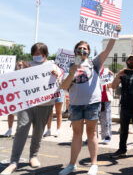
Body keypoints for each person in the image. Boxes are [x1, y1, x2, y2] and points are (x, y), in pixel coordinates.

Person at [58, 30, 120, 175]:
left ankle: (93, 164)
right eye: (79, 48)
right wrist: (72, 72)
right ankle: (72, 164)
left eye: (85, 48)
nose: (82, 50)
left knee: (91, 133)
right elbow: (64, 87)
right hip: (75, 105)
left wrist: (115, 33)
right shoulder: (69, 67)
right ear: (75, 51)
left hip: (92, 103)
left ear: (89, 51)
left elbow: (109, 48)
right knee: (77, 134)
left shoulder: (94, 63)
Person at [1, 43, 62, 175]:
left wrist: (57, 75)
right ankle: (14, 161)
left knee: (38, 131)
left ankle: (33, 156)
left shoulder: (53, 66)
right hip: (26, 104)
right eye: (34, 53)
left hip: (45, 105)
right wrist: (18, 68)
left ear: (45, 54)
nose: (37, 56)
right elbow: (15, 80)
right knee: (22, 128)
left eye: (39, 53)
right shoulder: (26, 65)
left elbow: (62, 84)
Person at [110, 55, 133, 159]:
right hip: (124, 106)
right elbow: (113, 86)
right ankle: (122, 150)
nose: (132, 61)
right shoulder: (123, 73)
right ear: (127, 61)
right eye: (130, 59)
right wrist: (118, 76)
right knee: (123, 130)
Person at [3, 61, 27, 138]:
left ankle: (19, 132)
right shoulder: (12, 75)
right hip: (13, 97)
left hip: (23, 97)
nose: (19, 67)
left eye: (21, 65)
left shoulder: (27, 74)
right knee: (10, 113)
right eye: (18, 65)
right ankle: (9, 129)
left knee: (22, 115)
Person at [99, 68, 114, 144]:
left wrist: (110, 81)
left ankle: (107, 136)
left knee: (106, 118)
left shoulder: (107, 71)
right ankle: (93, 136)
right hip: (95, 98)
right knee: (93, 119)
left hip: (106, 97)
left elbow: (111, 83)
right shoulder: (92, 69)